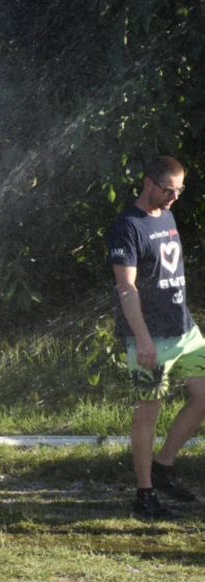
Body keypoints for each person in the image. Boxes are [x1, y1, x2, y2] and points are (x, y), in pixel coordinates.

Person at [108, 155, 201, 520]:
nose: (174, 197)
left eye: (179, 191)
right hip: (150, 337)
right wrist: (142, 340)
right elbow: (127, 288)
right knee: (148, 411)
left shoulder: (167, 213)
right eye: (169, 190)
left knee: (203, 396)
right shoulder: (126, 227)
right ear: (149, 183)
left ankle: (164, 468)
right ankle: (144, 493)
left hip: (184, 330)